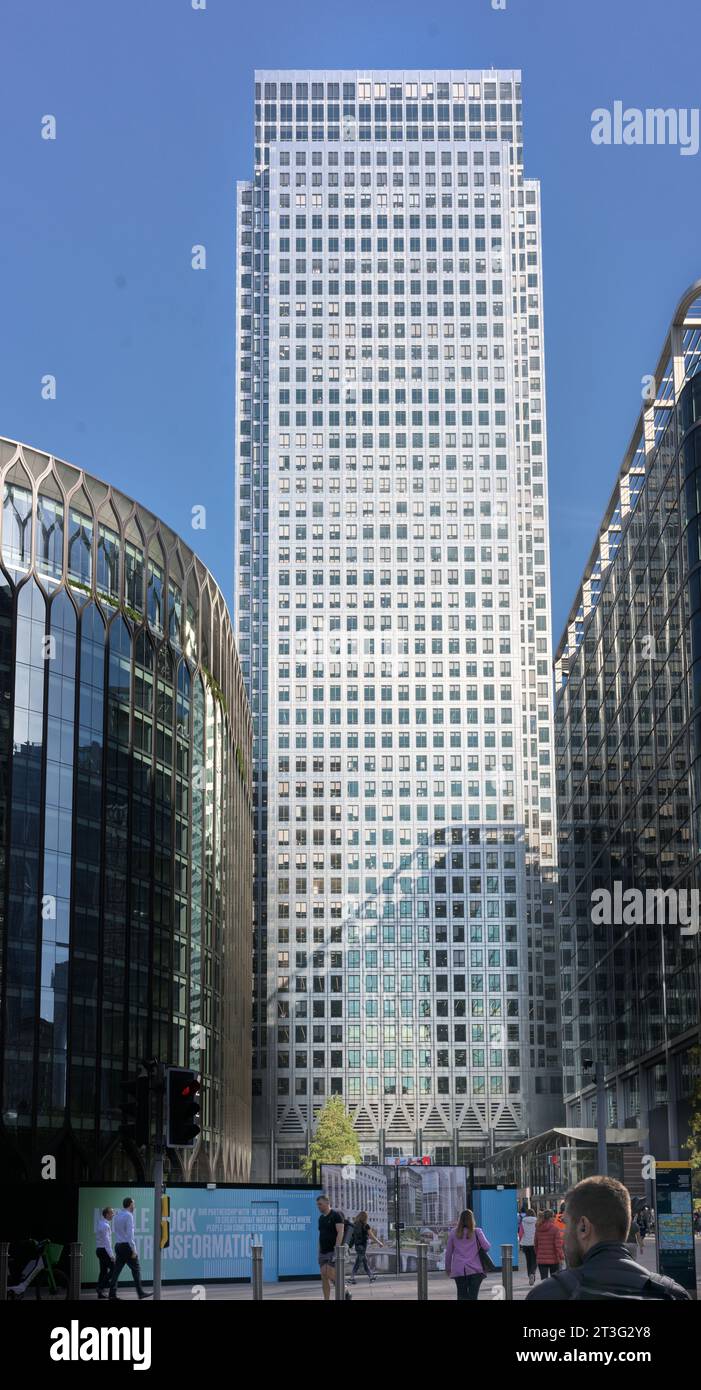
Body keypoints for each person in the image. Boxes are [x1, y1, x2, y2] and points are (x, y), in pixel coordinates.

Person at [526, 1176, 691, 1301]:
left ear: (584, 1227)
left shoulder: (547, 1294)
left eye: (567, 1223)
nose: (564, 1236)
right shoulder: (673, 1293)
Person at [109, 1197, 152, 1301]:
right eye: (133, 1204)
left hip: (118, 1245)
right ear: (130, 1205)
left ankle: (112, 1294)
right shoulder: (129, 1216)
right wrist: (134, 1250)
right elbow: (130, 1235)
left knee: (116, 1271)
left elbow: (116, 1230)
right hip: (126, 1246)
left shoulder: (118, 1215)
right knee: (136, 1269)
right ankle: (140, 1293)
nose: (134, 1206)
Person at [444, 1209, 491, 1301]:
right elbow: (487, 1247)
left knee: (461, 1296)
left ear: (460, 1220)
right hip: (476, 1270)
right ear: (472, 1219)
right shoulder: (477, 1232)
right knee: (473, 1297)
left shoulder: (453, 1233)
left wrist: (448, 1268)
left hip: (459, 1270)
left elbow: (448, 1253)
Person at [316, 1194, 351, 1301]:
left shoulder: (336, 1215)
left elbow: (340, 1232)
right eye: (317, 1205)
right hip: (323, 1251)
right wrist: (319, 1251)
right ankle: (326, 1298)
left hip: (333, 1250)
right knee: (324, 1275)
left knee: (329, 1272)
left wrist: (336, 1249)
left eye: (320, 1204)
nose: (318, 1206)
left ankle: (345, 1290)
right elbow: (321, 1235)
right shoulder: (321, 1218)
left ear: (327, 1203)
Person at [349, 1211, 383, 1285]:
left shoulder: (355, 1225)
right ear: (365, 1217)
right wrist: (379, 1242)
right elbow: (371, 1236)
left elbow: (351, 1237)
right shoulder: (366, 1225)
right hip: (363, 1246)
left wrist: (349, 1246)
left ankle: (371, 1277)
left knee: (364, 1262)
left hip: (357, 1246)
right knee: (358, 1263)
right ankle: (351, 1278)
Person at [534, 1208, 563, 1280]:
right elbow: (558, 1245)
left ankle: (545, 1291)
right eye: (553, 1216)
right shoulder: (555, 1229)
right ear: (550, 1218)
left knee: (544, 1280)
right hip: (554, 1259)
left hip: (541, 1259)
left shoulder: (538, 1228)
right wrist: (561, 1256)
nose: (554, 1218)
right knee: (554, 1281)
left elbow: (535, 1244)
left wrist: (538, 1254)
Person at [95, 1206, 115, 1299]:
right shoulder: (105, 1226)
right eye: (111, 1213)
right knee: (114, 1269)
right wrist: (112, 1255)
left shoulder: (101, 1223)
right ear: (107, 1214)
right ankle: (100, 1287)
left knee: (103, 1271)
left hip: (100, 1250)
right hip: (104, 1250)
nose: (113, 1215)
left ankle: (100, 1293)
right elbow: (107, 1242)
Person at [518, 1206, 538, 1286]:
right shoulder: (537, 1221)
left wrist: (521, 1242)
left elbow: (520, 1233)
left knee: (528, 1260)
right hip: (534, 1243)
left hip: (525, 1244)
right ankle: (532, 1273)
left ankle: (529, 1274)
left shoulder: (523, 1221)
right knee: (535, 1260)